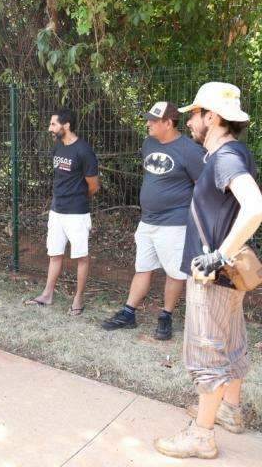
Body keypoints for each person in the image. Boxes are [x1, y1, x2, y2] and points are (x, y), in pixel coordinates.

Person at [155, 82, 262, 459]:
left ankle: (202, 435)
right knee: (231, 344)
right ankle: (229, 411)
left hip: (213, 277)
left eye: (195, 115)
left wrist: (218, 256)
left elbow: (254, 207)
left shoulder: (226, 158)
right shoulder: (233, 153)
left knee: (207, 353)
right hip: (228, 278)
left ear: (212, 117)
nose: (191, 122)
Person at [101, 102, 205, 340]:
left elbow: (202, 187)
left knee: (175, 273)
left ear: (168, 123)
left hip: (175, 223)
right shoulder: (148, 143)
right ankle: (128, 313)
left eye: (153, 120)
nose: (147, 123)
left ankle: (166, 316)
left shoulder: (190, 150)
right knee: (143, 268)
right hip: (147, 221)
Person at [25, 108, 100, 315]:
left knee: (81, 257)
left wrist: (77, 199)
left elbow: (93, 185)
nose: (50, 128)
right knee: (55, 254)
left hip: (77, 213)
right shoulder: (58, 148)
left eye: (53, 124)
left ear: (66, 125)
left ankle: (78, 299)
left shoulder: (84, 150)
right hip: (56, 211)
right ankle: (47, 295)